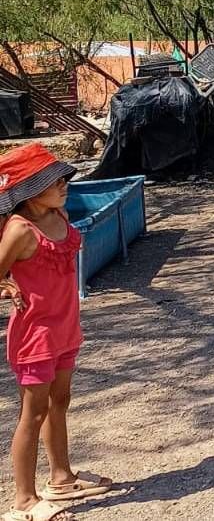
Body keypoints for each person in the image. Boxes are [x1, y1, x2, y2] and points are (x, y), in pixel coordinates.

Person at [0, 144, 111, 521]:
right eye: (54, 180)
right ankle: (24, 500)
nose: (64, 184)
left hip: (65, 328)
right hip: (35, 336)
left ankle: (61, 478)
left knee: (59, 401)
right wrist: (7, 285)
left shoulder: (58, 213)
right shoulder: (18, 229)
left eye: (63, 178)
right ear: (28, 188)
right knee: (32, 413)